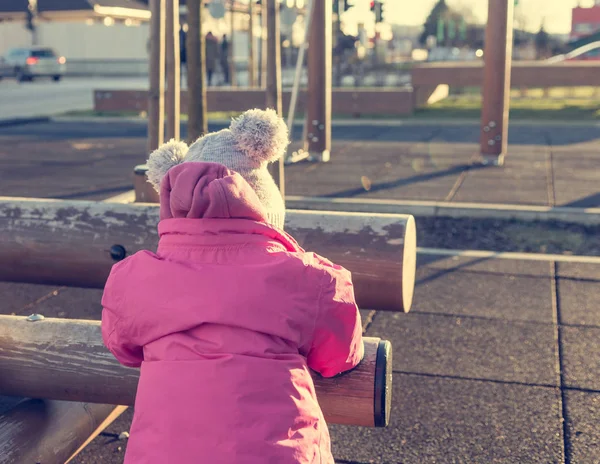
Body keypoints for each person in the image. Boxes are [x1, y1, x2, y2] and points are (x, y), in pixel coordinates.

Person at [101, 108, 364, 464]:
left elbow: (122, 348)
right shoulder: (310, 279)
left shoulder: (134, 278)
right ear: (268, 215)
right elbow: (339, 356)